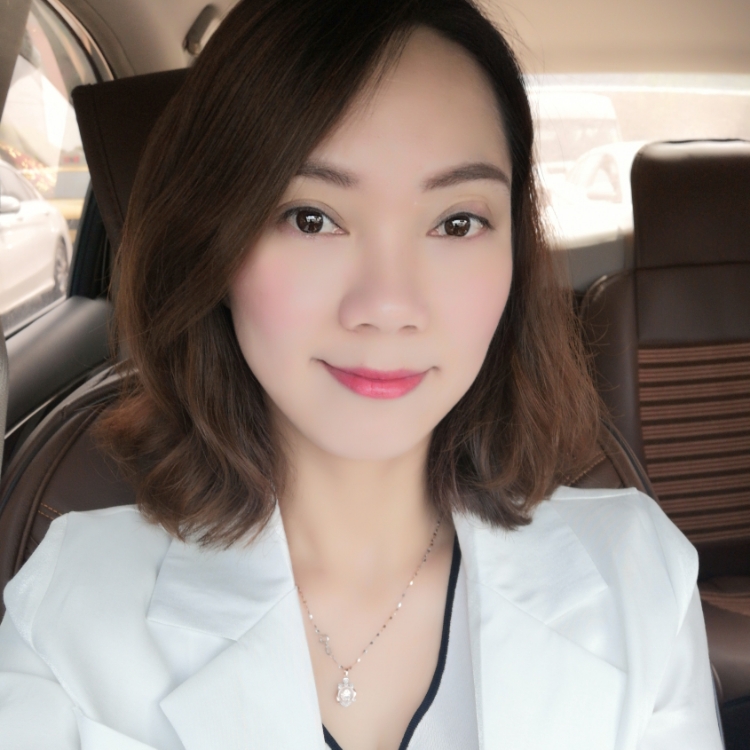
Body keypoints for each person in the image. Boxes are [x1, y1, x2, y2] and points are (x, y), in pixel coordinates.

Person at [0, 0, 723, 748]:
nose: (387, 306)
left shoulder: (638, 580)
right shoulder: (71, 617)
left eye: (457, 222)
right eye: (311, 218)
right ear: (213, 243)